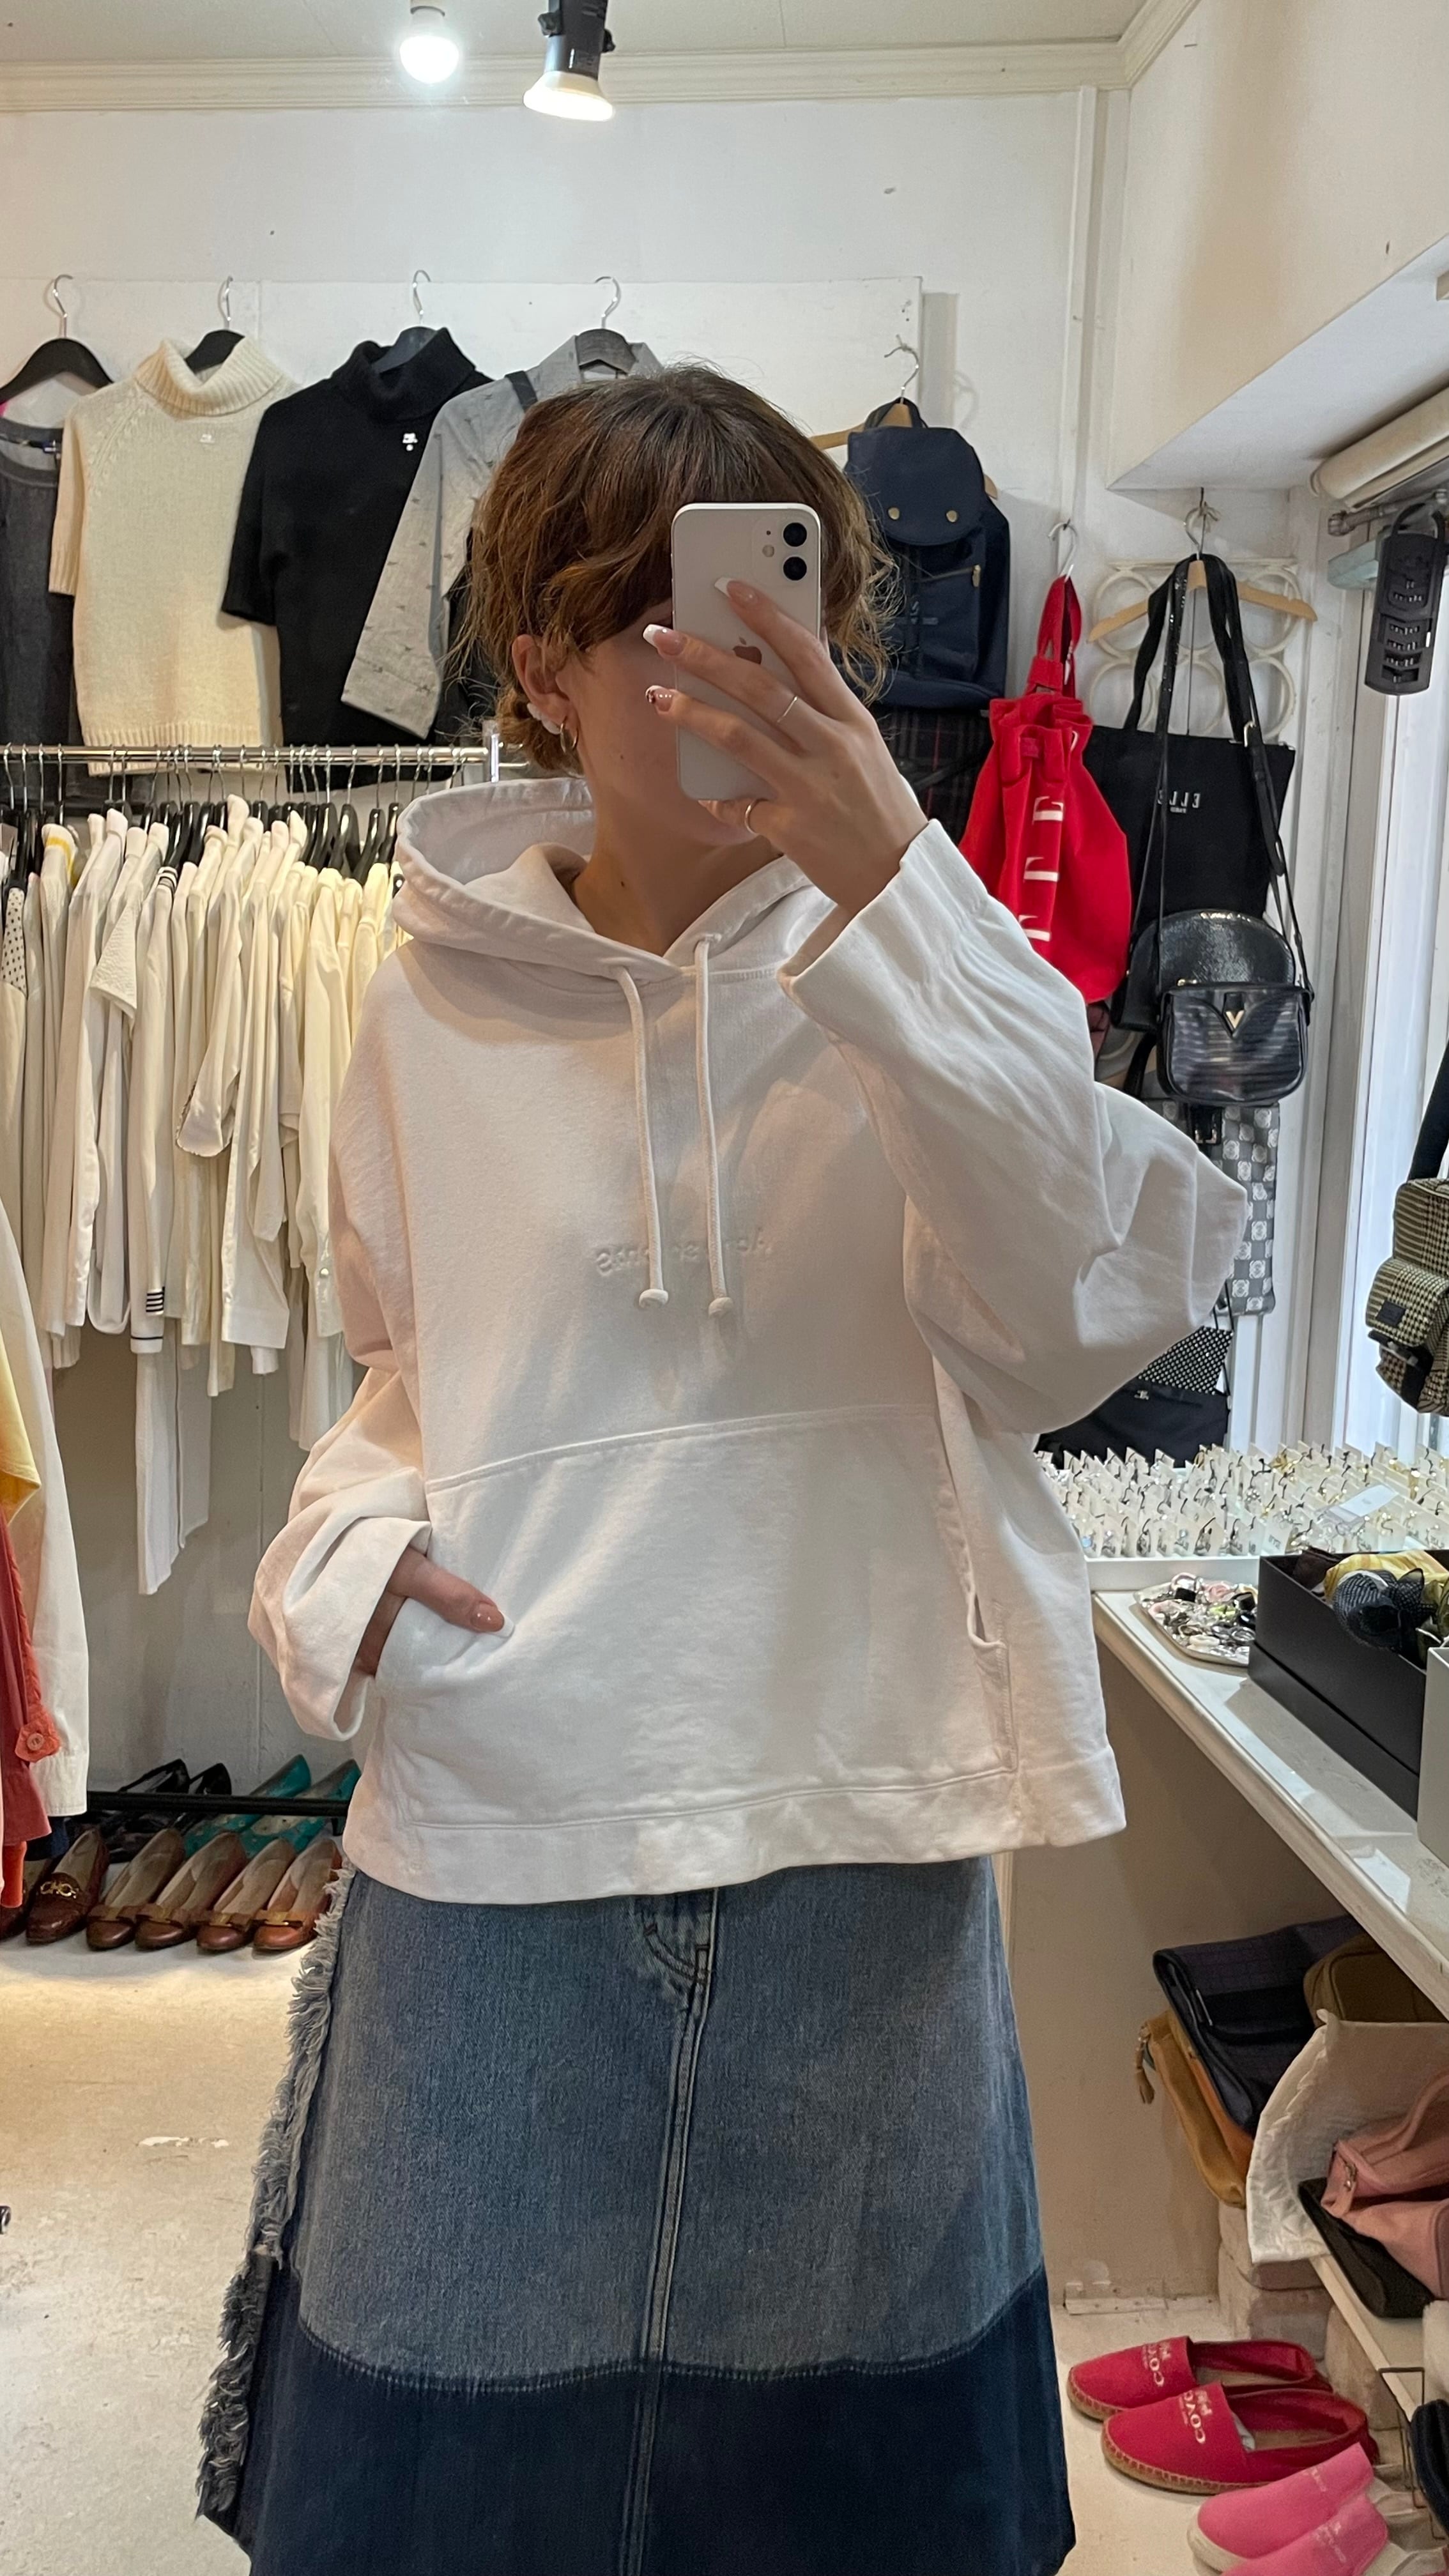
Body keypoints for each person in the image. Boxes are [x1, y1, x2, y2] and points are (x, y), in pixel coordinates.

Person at [200, 366, 1245, 2575]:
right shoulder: (423, 1004)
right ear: (542, 663)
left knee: (852, 2510)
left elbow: (1057, 1321)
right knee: (443, 2505)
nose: (741, 668)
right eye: (663, 619)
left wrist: (896, 898)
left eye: (789, 613)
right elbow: (410, 1381)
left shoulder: (937, 965)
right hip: (505, 1816)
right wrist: (347, 1561)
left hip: (855, 1803)